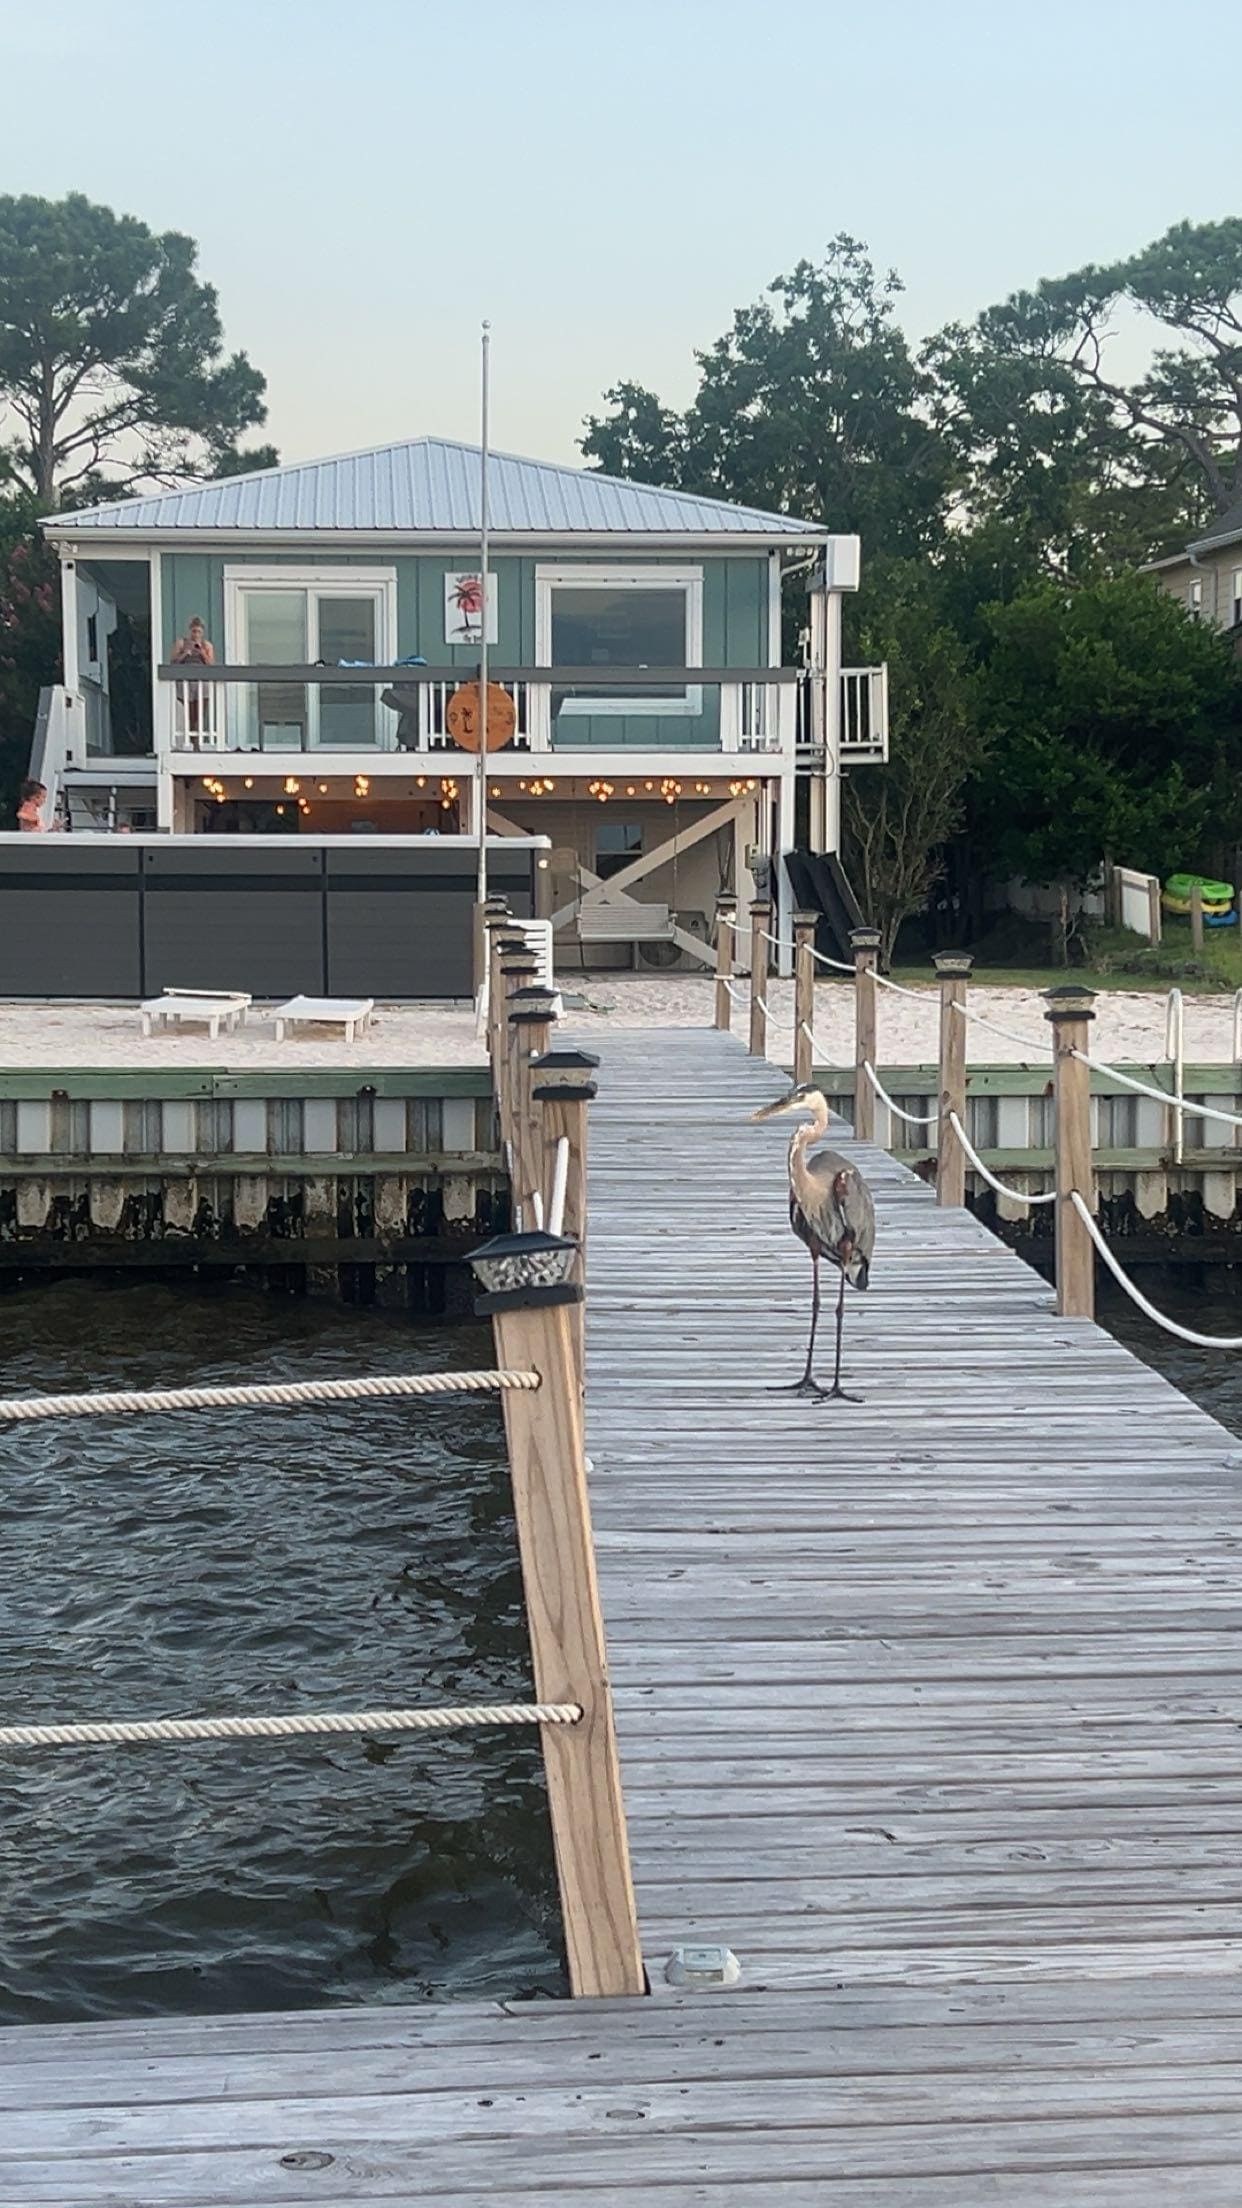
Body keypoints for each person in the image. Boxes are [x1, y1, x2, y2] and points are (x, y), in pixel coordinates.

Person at [171, 616, 215, 744]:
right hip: (186, 683)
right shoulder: (181, 643)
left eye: (199, 631)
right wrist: (185, 653)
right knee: (187, 713)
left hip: (201, 684)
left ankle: (196, 742)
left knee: (199, 714)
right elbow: (173, 662)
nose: (196, 634)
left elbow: (211, 664)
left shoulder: (207, 645)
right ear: (190, 630)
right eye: (194, 631)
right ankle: (187, 741)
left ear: (203, 632)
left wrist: (202, 653)